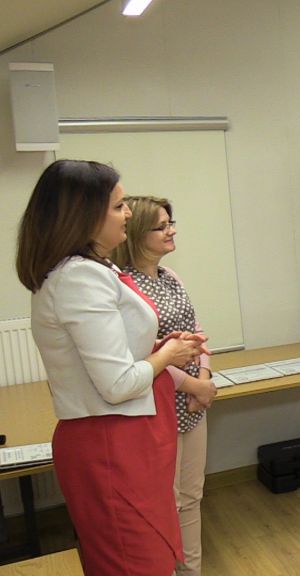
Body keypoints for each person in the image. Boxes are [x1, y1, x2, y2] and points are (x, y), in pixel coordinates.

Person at [16, 160, 206, 575]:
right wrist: (167, 356)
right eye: (118, 206)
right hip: (110, 445)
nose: (128, 213)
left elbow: (115, 350)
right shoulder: (78, 278)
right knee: (134, 562)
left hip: (129, 438)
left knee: (151, 556)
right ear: (83, 215)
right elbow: (117, 383)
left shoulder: (96, 269)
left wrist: (162, 348)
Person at [112, 196, 217, 576]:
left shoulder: (171, 276)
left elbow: (197, 332)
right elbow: (142, 355)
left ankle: (192, 572)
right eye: (161, 226)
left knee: (191, 497)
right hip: (157, 408)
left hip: (193, 405)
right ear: (138, 232)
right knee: (165, 505)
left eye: (171, 223)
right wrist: (194, 386)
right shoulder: (126, 288)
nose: (171, 231)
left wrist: (203, 378)